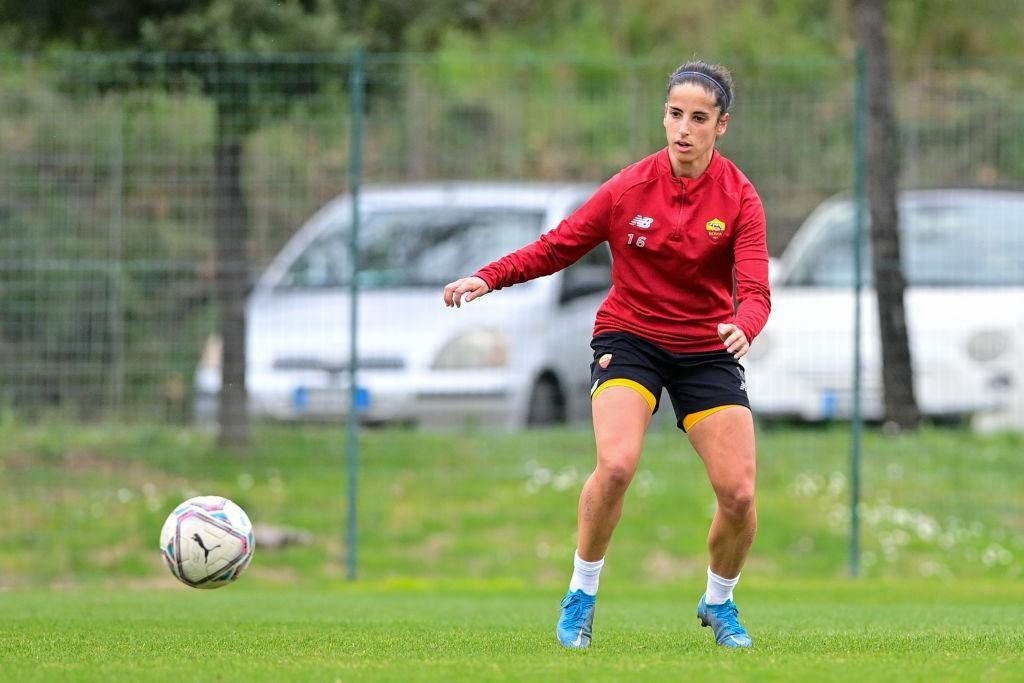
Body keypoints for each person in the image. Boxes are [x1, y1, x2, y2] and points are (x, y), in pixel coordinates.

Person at [443, 60, 770, 649]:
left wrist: (745, 326)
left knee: (740, 493)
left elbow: (755, 290)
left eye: (700, 118)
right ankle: (581, 596)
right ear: (664, 116)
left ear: (722, 125)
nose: (684, 129)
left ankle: (719, 603)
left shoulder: (740, 197)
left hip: (706, 348)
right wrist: (485, 279)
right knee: (616, 464)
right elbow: (556, 247)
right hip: (631, 338)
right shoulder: (629, 188)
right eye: (675, 115)